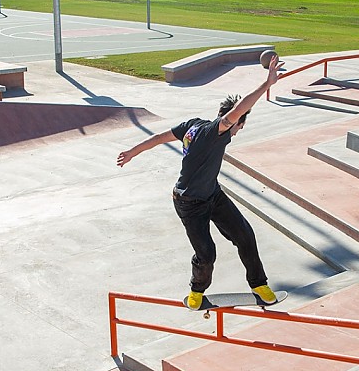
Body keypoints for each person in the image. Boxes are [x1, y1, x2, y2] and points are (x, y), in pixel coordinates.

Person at [117, 51, 283, 310]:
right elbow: (239, 111)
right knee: (206, 254)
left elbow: (160, 137)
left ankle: (258, 284)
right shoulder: (214, 132)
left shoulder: (194, 125)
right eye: (239, 126)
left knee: (244, 235)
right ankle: (196, 291)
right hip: (188, 203)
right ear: (234, 123)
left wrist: (132, 152)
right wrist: (267, 84)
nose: (237, 131)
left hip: (212, 195)